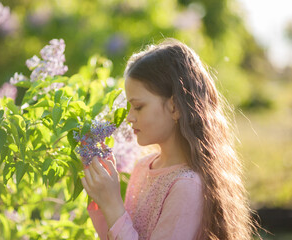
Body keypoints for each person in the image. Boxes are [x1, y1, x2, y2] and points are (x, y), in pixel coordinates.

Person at [81, 38, 258, 240]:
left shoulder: (187, 185)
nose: (129, 117)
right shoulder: (143, 167)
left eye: (138, 107)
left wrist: (113, 203)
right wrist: (101, 196)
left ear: (175, 107)